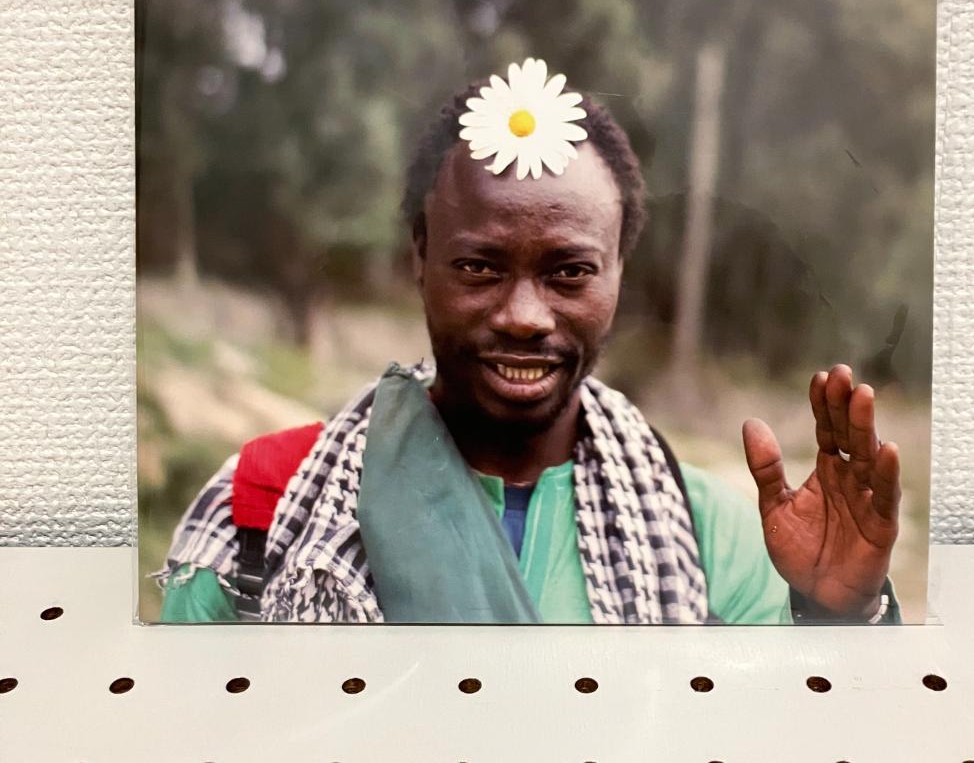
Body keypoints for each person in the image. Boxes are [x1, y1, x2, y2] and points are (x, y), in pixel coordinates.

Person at [157, 58, 901, 625]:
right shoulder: (263, 507)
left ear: (618, 274)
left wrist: (837, 617)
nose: (523, 316)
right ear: (420, 260)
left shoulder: (715, 539)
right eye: (479, 267)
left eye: (569, 272)